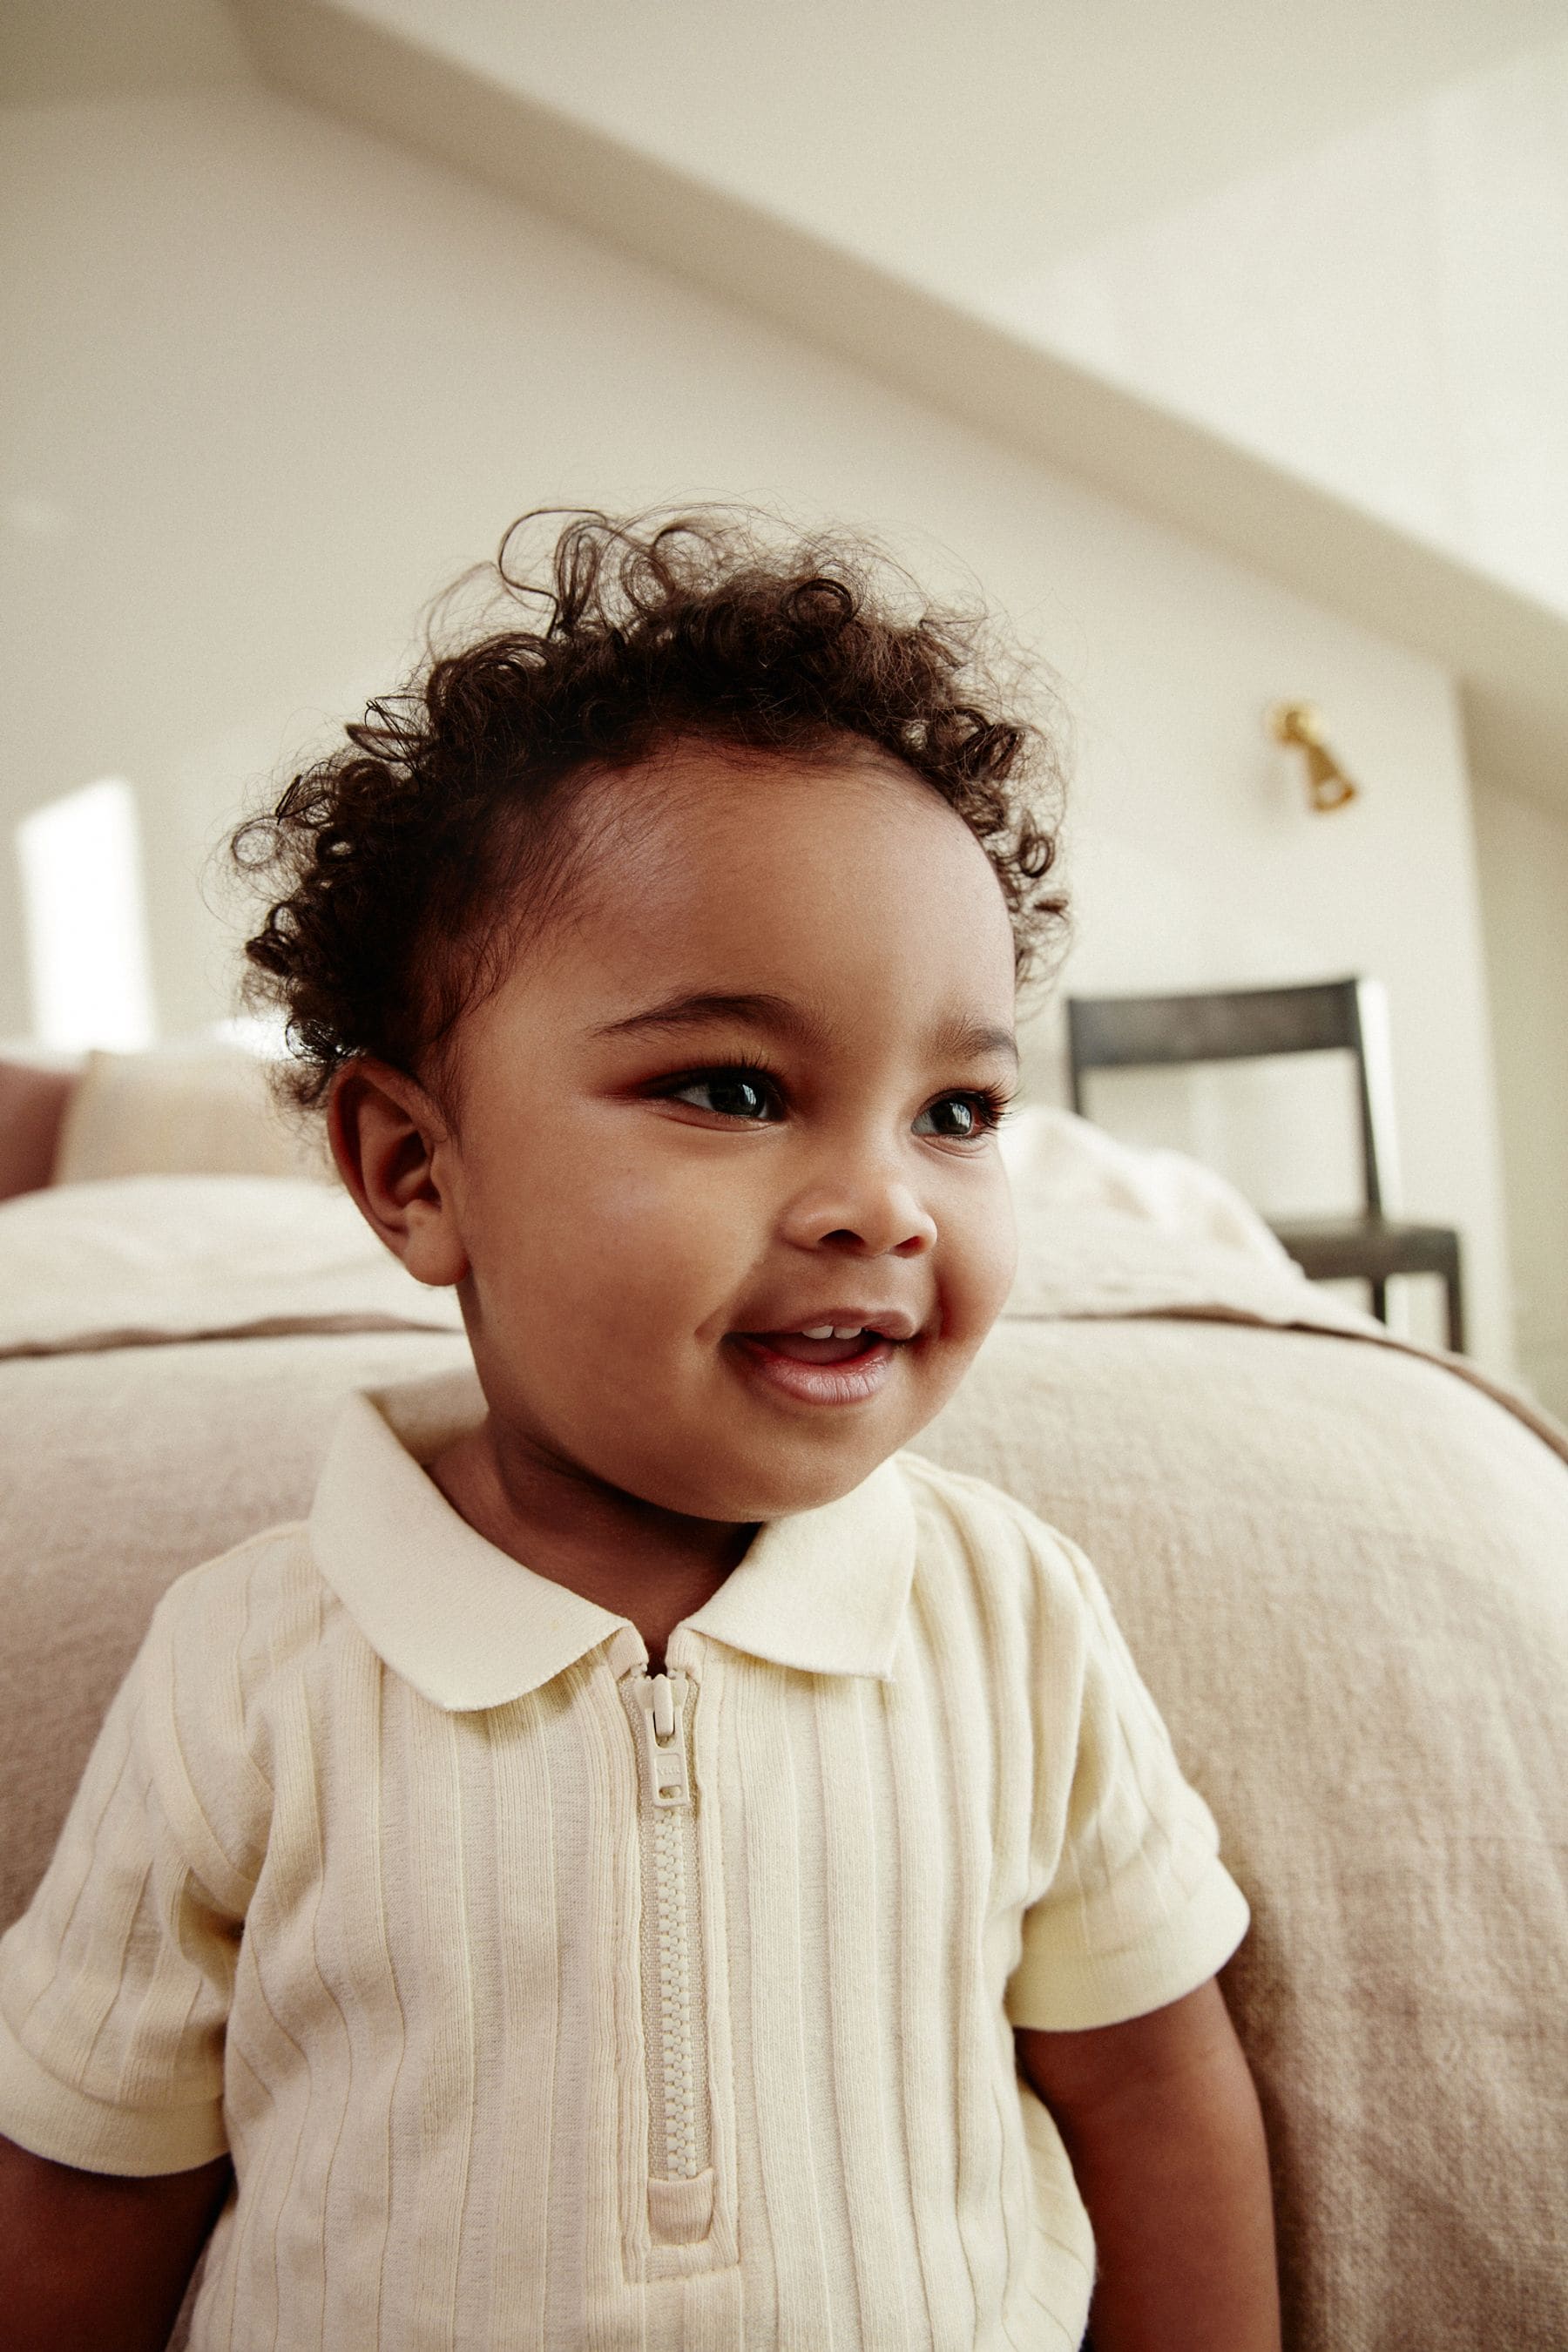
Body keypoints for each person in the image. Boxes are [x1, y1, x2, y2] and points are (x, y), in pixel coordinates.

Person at [0, 510, 1281, 2350]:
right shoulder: (247, 1670)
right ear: (414, 1167)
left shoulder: (1012, 1616)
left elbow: (1155, 2093)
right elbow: (82, 2185)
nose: (883, 1204)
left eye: (959, 1110)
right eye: (736, 1087)